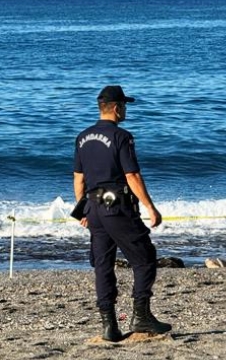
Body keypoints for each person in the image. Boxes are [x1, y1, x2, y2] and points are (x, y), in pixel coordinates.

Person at [73, 85, 171, 342]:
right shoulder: (122, 137)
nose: (125, 109)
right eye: (124, 105)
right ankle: (141, 315)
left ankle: (109, 325)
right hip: (117, 207)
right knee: (145, 257)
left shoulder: (82, 137)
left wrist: (83, 209)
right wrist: (150, 207)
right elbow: (132, 175)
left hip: (94, 207)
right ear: (116, 108)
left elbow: (78, 179)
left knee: (103, 266)